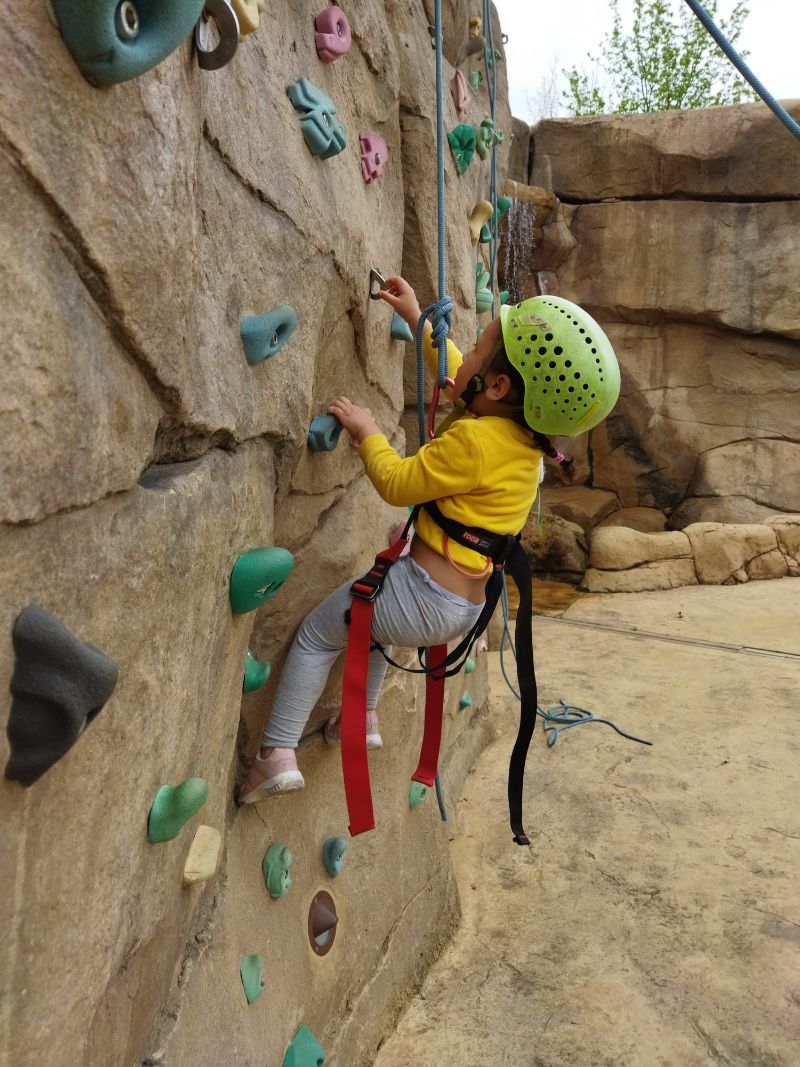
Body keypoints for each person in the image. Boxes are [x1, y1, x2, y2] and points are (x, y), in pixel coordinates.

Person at [238, 277, 619, 804]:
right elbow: (460, 372)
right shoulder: (525, 446)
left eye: (478, 345)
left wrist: (367, 431)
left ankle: (275, 755)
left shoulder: (474, 441)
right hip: (460, 605)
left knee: (319, 635)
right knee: (374, 626)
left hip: (424, 596)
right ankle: (361, 718)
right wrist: (419, 321)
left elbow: (397, 483)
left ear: (497, 387)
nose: (466, 352)